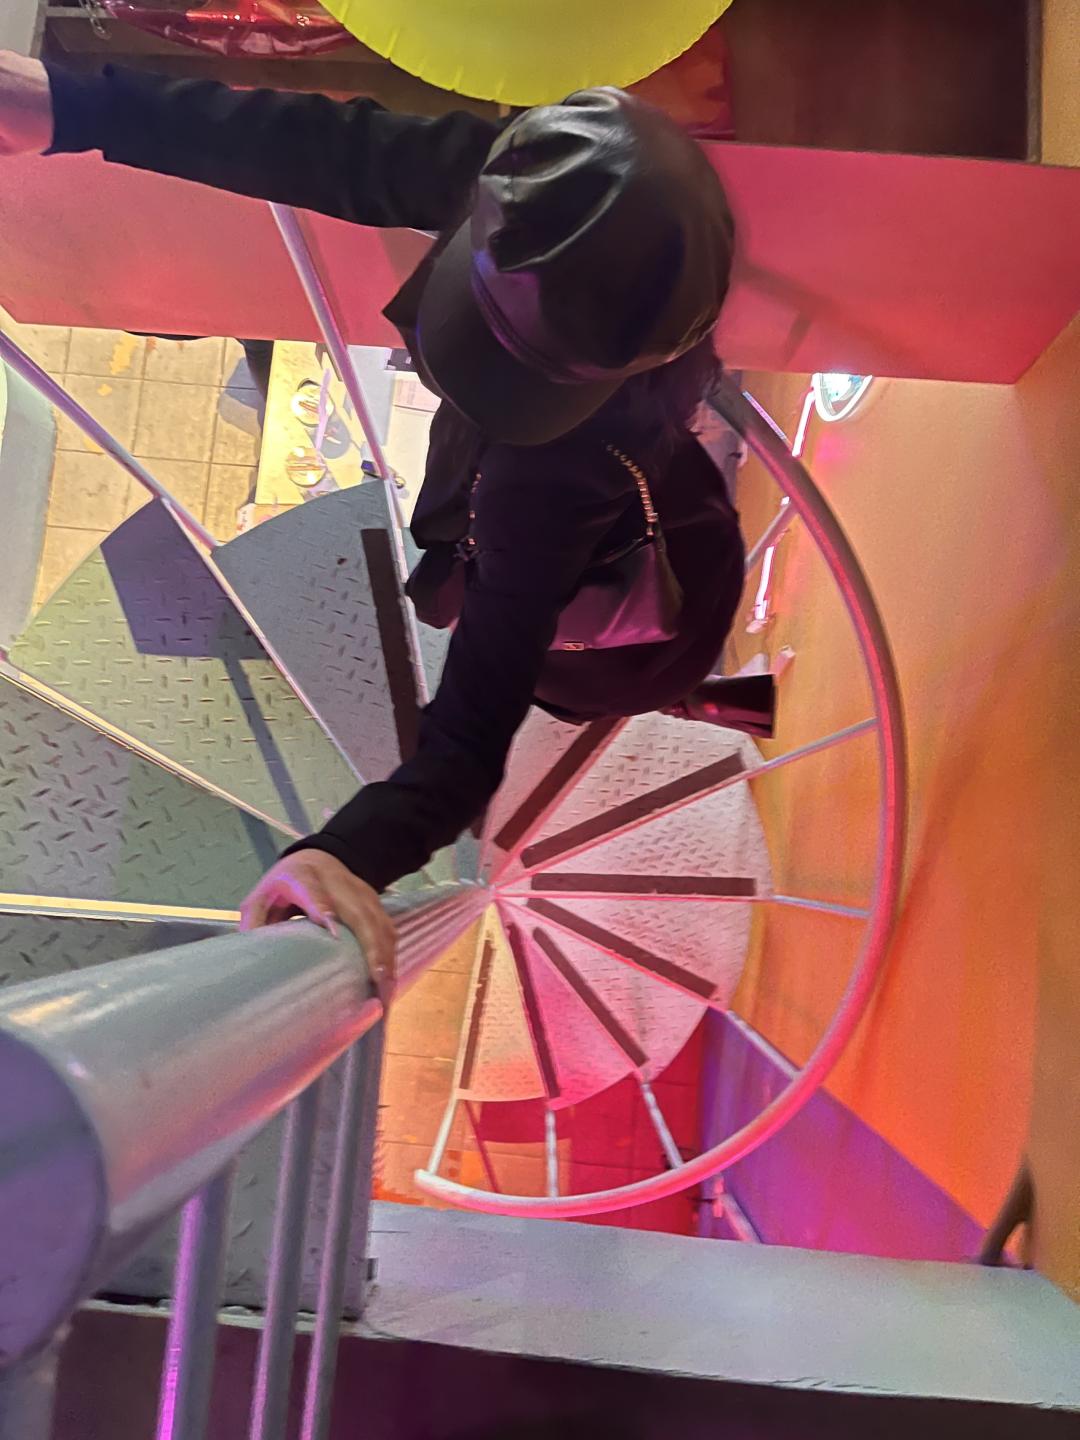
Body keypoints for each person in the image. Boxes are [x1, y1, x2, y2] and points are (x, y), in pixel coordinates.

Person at [0, 52, 763, 989]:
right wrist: (69, 103)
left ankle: (702, 699)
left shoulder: (548, 472)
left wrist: (350, 853)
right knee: (534, 651)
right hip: (669, 527)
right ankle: (714, 700)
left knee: (559, 678)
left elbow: (470, 740)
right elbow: (311, 144)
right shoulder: (562, 224)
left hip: (621, 629)